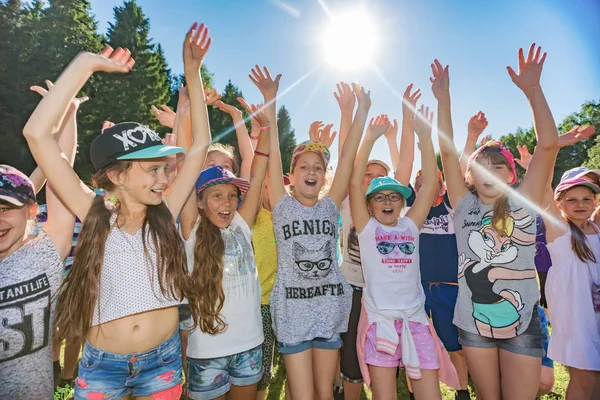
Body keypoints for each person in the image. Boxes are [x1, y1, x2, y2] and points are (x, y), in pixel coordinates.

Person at [22, 22, 213, 399]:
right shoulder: (94, 212)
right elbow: (37, 135)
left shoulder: (165, 212)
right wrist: (84, 66)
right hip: (102, 368)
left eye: (163, 168)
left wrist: (192, 72)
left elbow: (200, 147)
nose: (163, 178)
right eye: (151, 169)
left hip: (163, 362)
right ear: (117, 175)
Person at [436, 44, 558, 399]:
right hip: (473, 323)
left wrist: (533, 91)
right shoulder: (463, 204)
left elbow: (548, 146)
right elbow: (446, 151)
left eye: (499, 167)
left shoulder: (524, 201)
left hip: (523, 322)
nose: (490, 175)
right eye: (481, 168)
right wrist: (444, 99)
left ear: (512, 172)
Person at [264, 68, 367, 398]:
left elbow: (348, 158)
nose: (311, 171)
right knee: (303, 395)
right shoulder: (282, 207)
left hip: (328, 311)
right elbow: (272, 153)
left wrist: (355, 112)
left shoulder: (330, 206)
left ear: (325, 176)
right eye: (304, 166)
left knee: (324, 393)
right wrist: (270, 101)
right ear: (291, 175)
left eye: (318, 167)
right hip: (293, 315)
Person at [179, 99, 271, 400]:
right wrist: (188, 109)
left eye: (232, 195)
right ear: (200, 200)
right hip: (207, 351)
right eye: (217, 195)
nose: (227, 202)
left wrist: (266, 127)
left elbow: (257, 174)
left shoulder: (242, 226)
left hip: (249, 344)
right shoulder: (192, 229)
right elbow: (185, 164)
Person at [0, 123, 76, 399]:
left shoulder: (43, 256)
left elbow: (62, 178)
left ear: (32, 210)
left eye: (5, 208)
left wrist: (69, 115)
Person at [543, 169, 600, 399]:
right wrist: (550, 150)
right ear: (559, 205)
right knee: (584, 378)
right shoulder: (560, 230)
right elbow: (542, 190)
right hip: (574, 317)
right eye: (571, 200)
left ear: (595, 202)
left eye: (587, 199)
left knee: (596, 378)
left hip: (595, 314)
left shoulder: (595, 227)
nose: (580, 204)